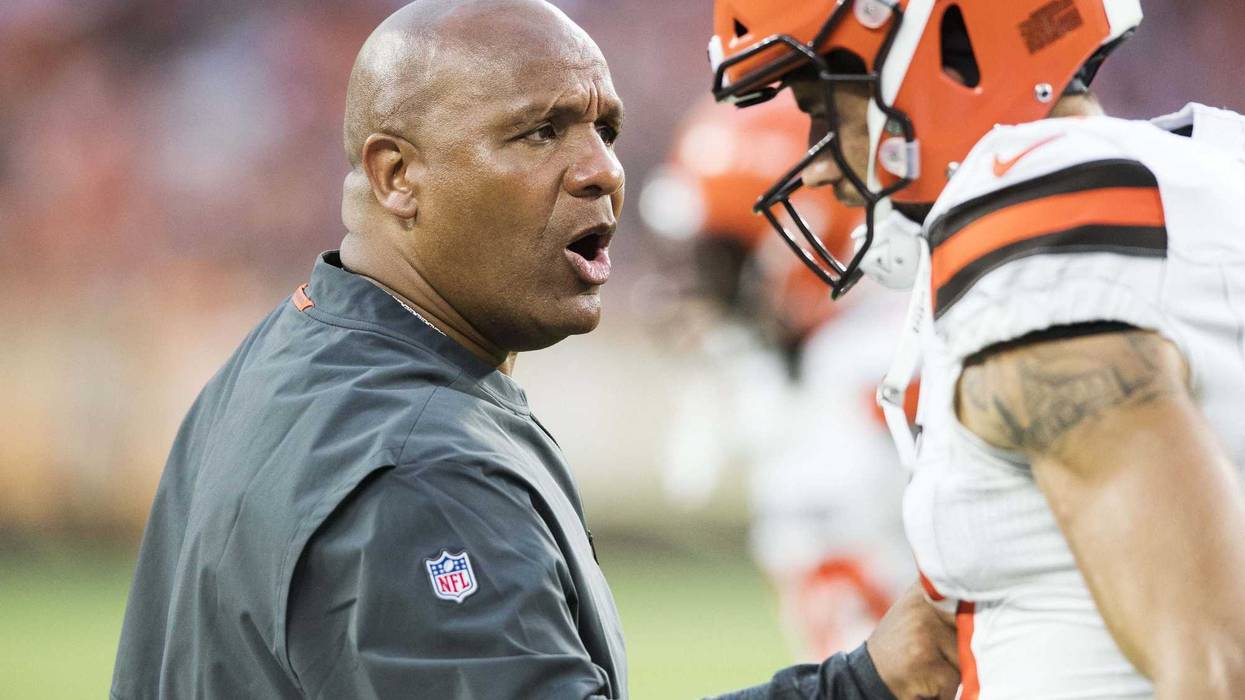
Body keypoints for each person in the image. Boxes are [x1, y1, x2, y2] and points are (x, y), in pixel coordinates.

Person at [112, 1, 958, 699]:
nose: (601, 170)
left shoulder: (293, 347)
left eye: (606, 128)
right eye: (539, 133)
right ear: (395, 175)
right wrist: (864, 687)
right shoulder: (423, 469)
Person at [707, 0, 1245, 698]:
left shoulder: (1032, 230)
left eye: (822, 104)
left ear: (945, 53)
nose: (814, 165)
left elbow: (1212, 660)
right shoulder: (1206, 168)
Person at [641, 95, 916, 660]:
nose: (703, 283)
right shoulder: (782, 365)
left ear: (800, 234)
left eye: (720, 256)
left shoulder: (898, 357)